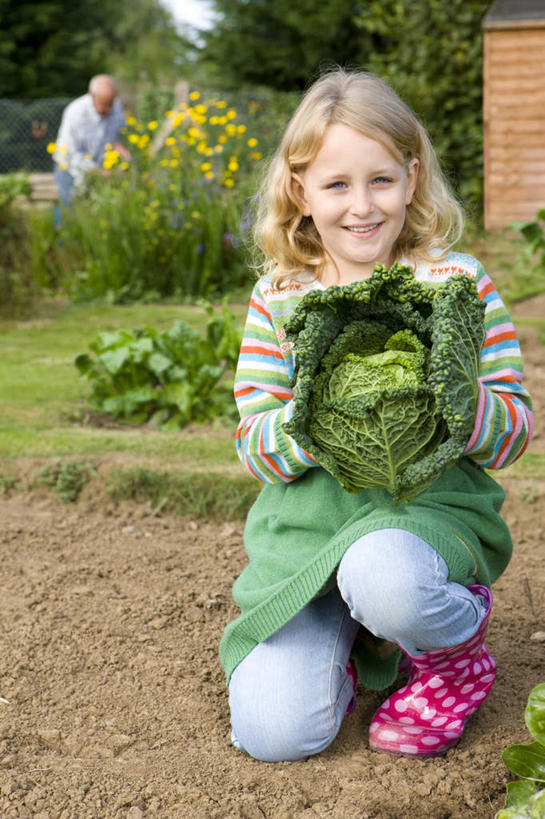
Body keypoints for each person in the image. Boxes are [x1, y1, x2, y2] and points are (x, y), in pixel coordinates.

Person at [219, 68, 533, 763]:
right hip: (308, 538)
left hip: (424, 519)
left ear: (412, 176)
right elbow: (255, 446)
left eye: (380, 180)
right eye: (336, 185)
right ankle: (365, 648)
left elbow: (513, 426)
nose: (360, 206)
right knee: (276, 734)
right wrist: (312, 414)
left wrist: (460, 400)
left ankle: (452, 649)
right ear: (301, 192)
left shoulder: (455, 283)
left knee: (383, 574)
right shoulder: (280, 296)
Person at [53, 74, 130, 209]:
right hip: (70, 168)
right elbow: (71, 153)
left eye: (111, 102)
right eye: (105, 104)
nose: (110, 109)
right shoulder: (75, 112)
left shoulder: (117, 107)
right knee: (70, 209)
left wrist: (124, 154)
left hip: (101, 170)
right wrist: (97, 172)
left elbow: (118, 138)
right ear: (92, 95)